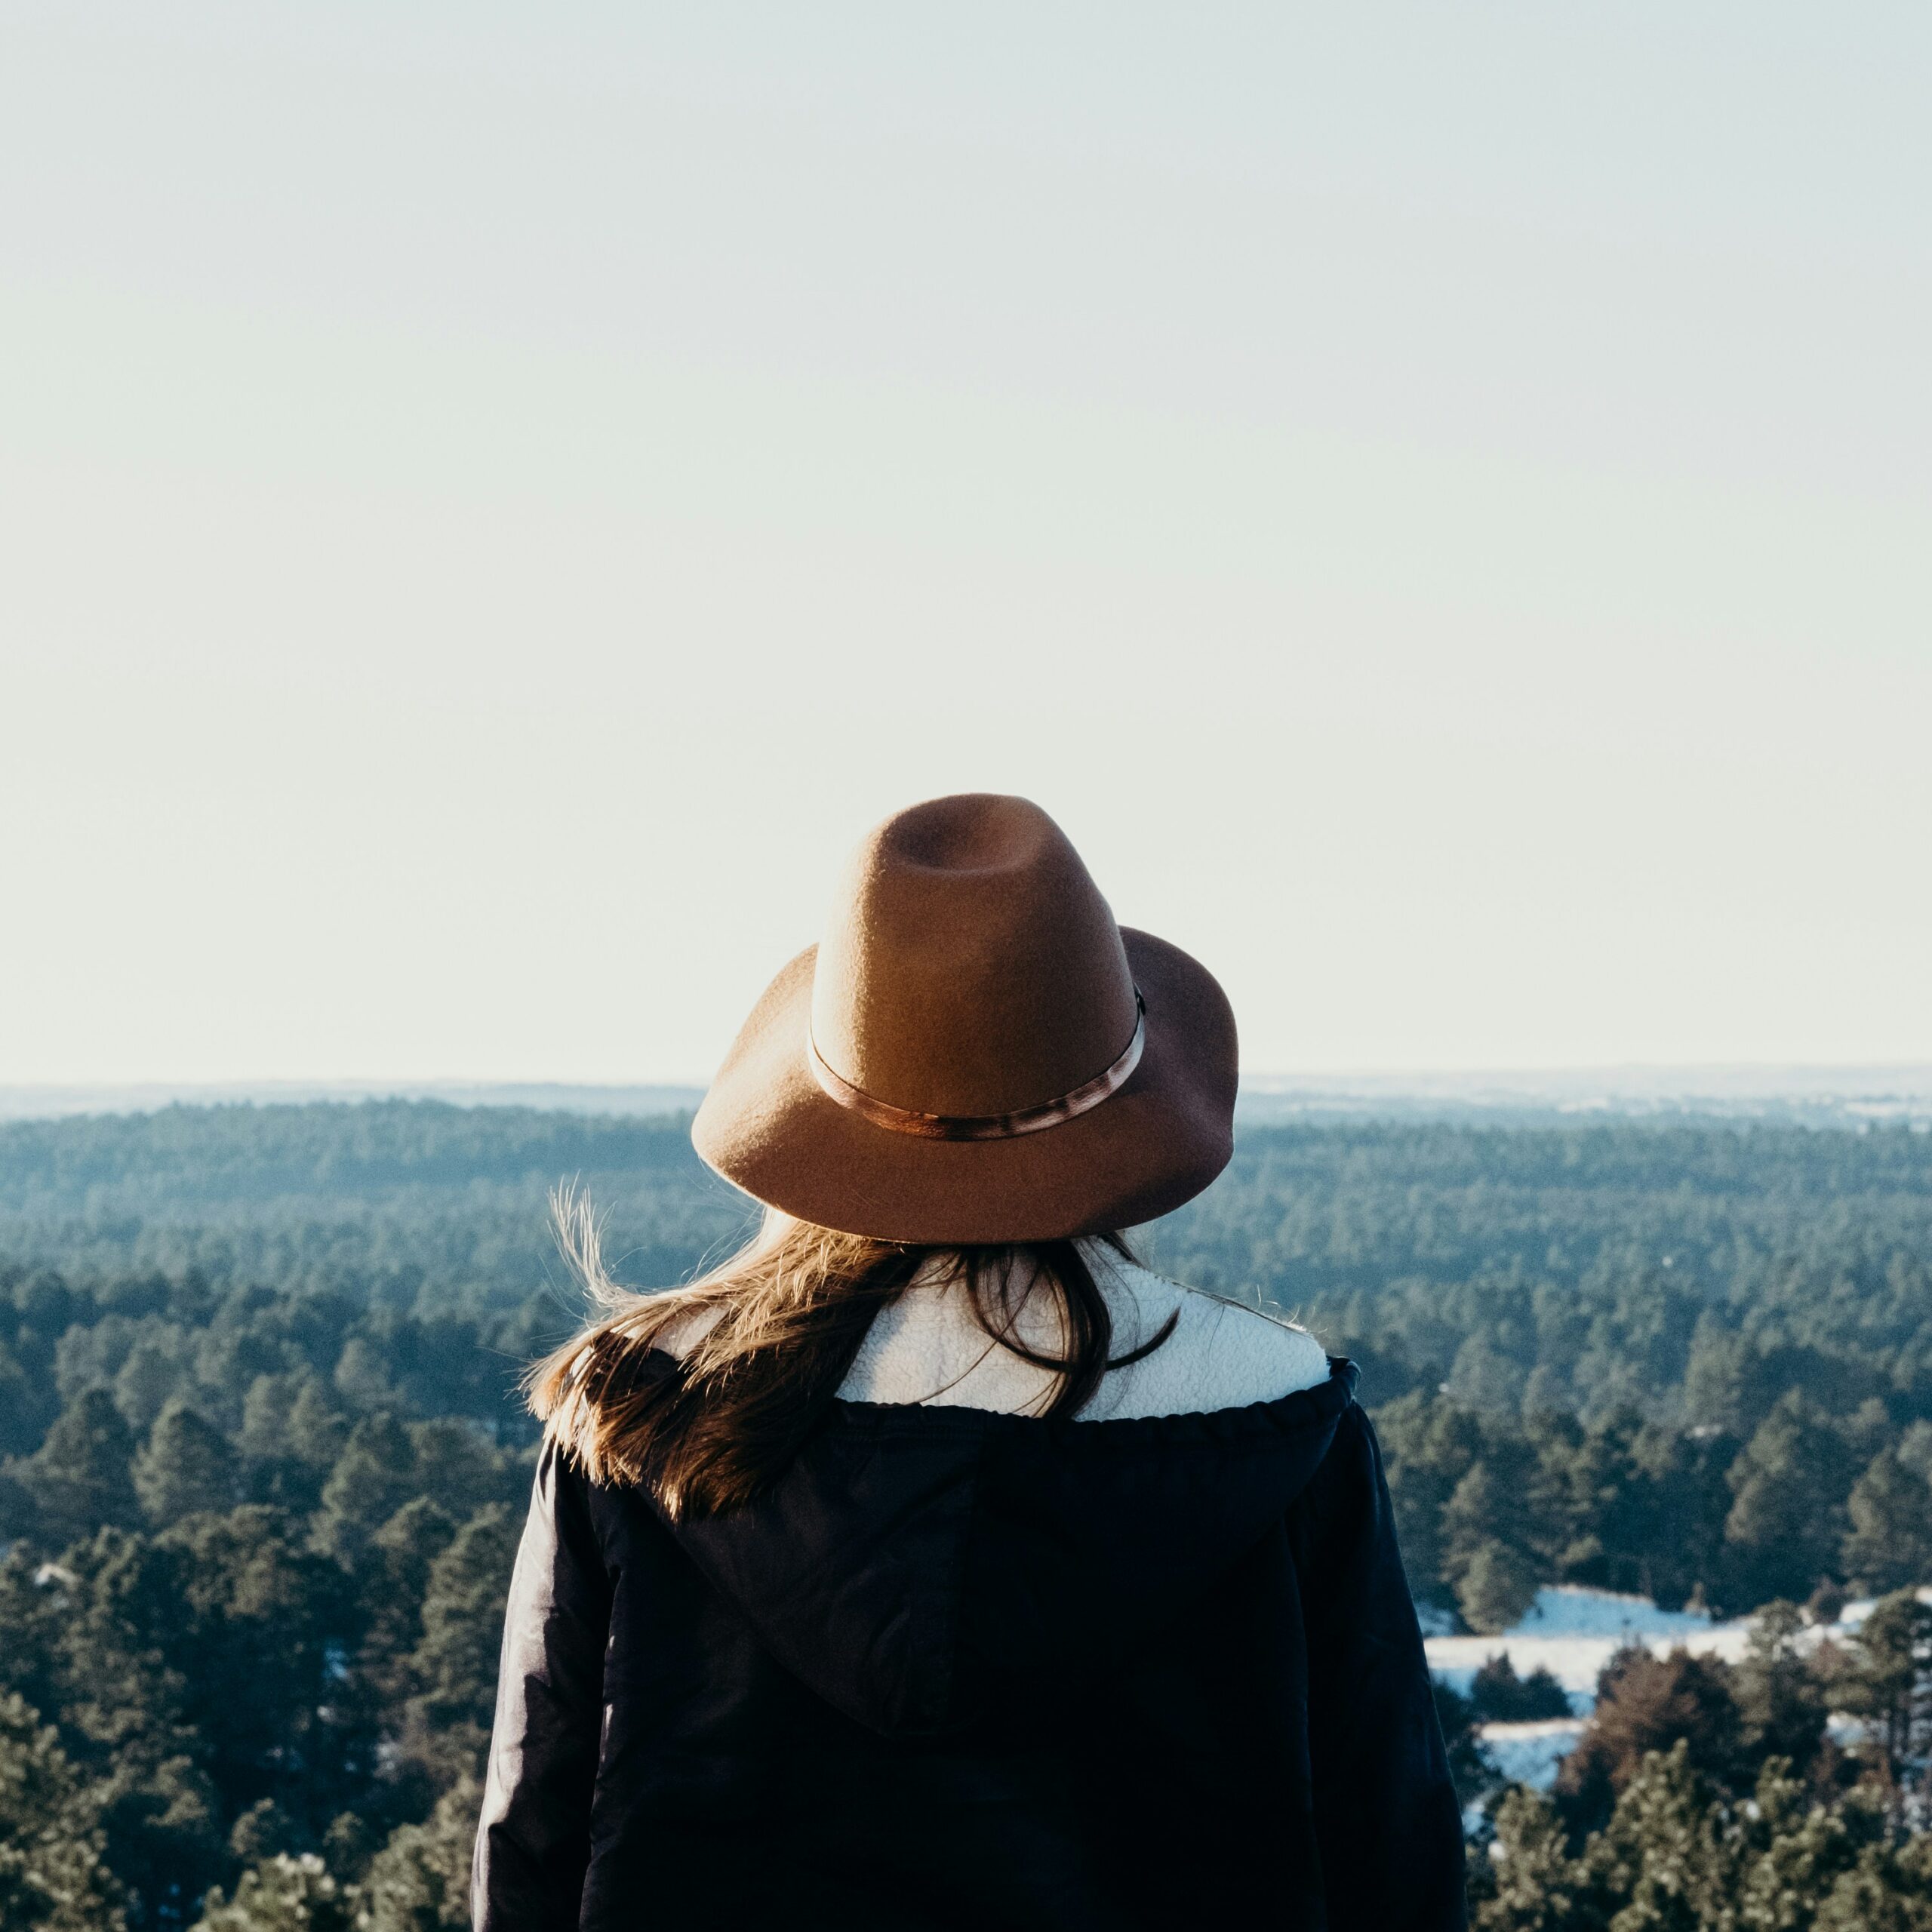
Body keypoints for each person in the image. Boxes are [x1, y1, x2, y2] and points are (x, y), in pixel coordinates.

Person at [472, 793, 1466, 1930]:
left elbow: (537, 1833)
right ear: (1123, 1104)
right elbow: (1388, 1845)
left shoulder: (647, 1414)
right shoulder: (1279, 1422)